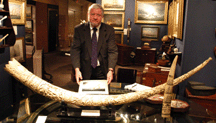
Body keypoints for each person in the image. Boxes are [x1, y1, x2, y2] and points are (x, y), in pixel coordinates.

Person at [70, 4, 118, 85]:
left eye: (98, 15)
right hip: (84, 69)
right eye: (93, 14)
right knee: (85, 95)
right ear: (88, 15)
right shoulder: (79, 29)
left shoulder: (109, 30)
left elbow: (112, 51)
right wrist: (77, 70)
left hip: (102, 69)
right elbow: (75, 50)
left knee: (102, 95)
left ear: (102, 16)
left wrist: (111, 70)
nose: (95, 17)